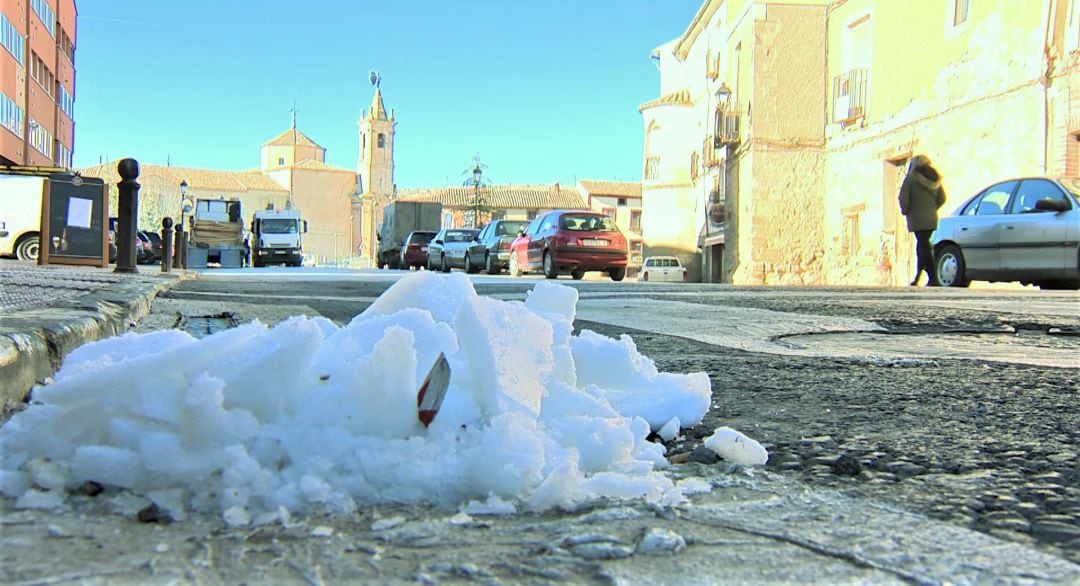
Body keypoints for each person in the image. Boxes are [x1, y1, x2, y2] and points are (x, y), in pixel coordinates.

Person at [898, 155, 946, 286]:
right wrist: (932, 209)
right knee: (924, 245)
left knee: (922, 246)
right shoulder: (935, 178)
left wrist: (905, 210)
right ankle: (928, 276)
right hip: (931, 218)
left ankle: (927, 276)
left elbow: (903, 198)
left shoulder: (911, 179)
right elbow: (942, 198)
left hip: (917, 218)